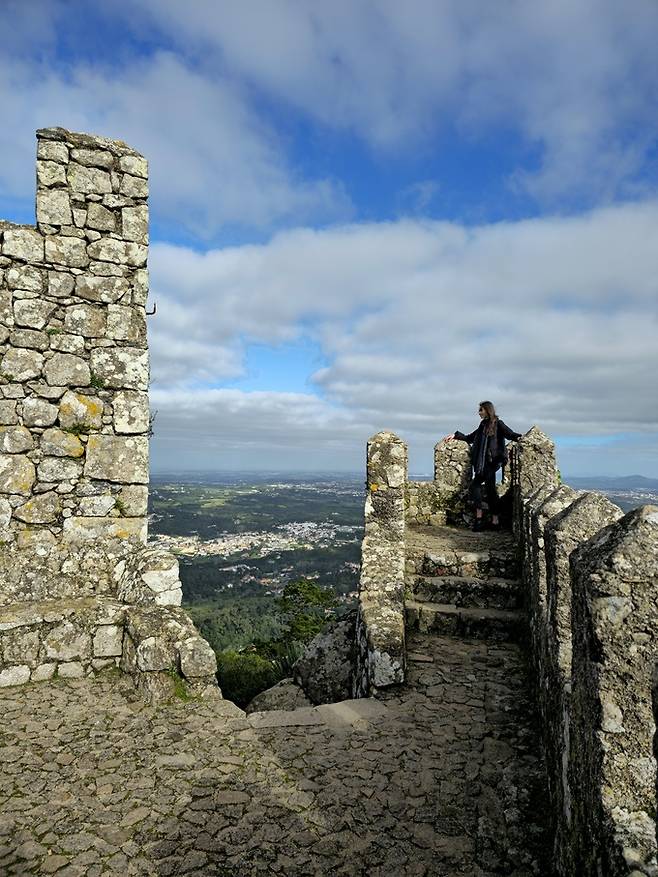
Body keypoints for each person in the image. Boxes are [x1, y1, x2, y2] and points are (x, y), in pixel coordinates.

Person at [444, 401, 522, 531]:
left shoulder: (498, 424)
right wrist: (455, 435)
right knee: (485, 489)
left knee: (482, 488)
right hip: (482, 463)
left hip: (492, 463)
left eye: (481, 410)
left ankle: (485, 519)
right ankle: (489, 520)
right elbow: (470, 438)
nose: (479, 412)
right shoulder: (482, 425)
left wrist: (521, 438)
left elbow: (510, 434)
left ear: (487, 410)